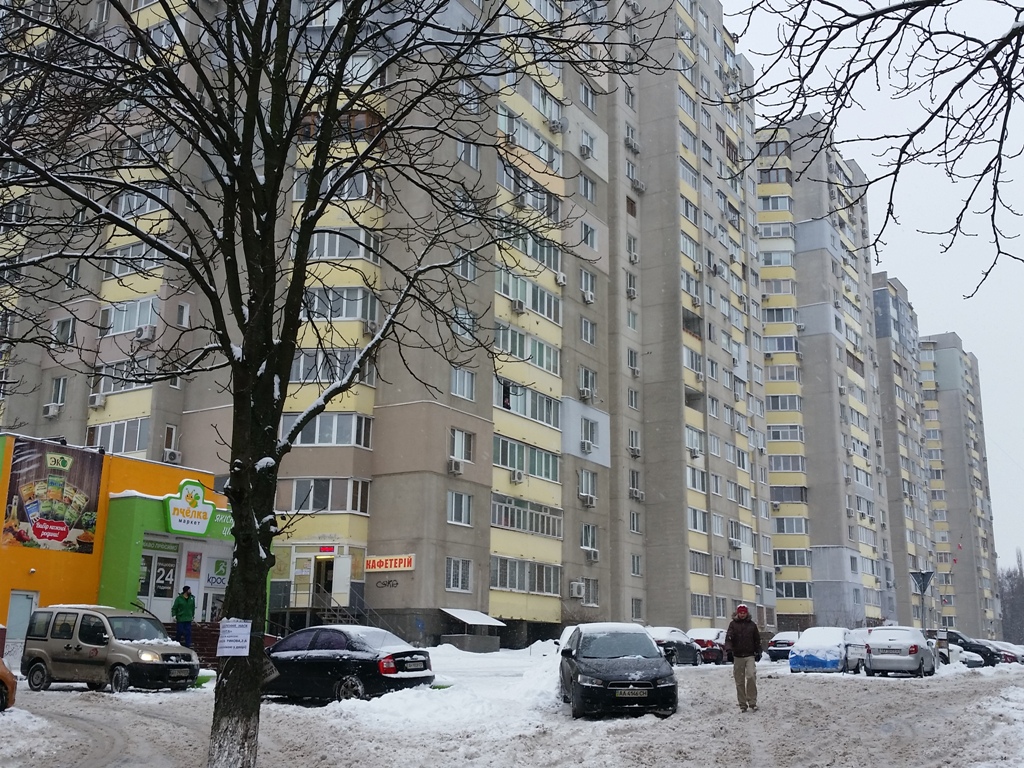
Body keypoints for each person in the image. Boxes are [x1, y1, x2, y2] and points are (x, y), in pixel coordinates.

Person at [724, 604, 762, 712]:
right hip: (738, 656)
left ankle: (752, 701)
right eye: (740, 613)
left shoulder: (752, 625)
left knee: (751, 676)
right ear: (737, 613)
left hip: (750, 655)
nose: (742, 614)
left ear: (747, 613)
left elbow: (757, 639)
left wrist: (758, 651)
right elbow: (728, 639)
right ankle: (742, 704)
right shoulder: (733, 625)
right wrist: (729, 651)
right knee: (739, 681)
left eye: (744, 613)